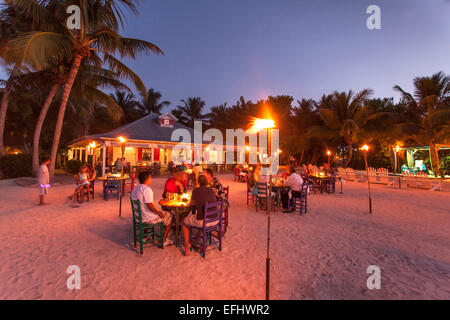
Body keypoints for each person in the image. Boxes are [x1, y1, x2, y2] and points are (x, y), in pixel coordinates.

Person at [131, 171, 173, 247]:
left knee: (157, 212)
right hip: (147, 218)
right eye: (150, 177)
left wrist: (157, 211)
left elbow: (148, 205)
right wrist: (158, 212)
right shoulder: (146, 189)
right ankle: (164, 240)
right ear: (147, 179)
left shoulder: (135, 189)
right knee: (169, 216)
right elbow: (150, 205)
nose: (151, 179)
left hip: (139, 217)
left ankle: (144, 236)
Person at [181, 175, 218, 256]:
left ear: (198, 182)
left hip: (204, 221)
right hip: (215, 219)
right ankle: (198, 237)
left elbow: (192, 203)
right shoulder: (211, 190)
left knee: (184, 222)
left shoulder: (196, 191)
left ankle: (187, 244)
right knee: (198, 216)